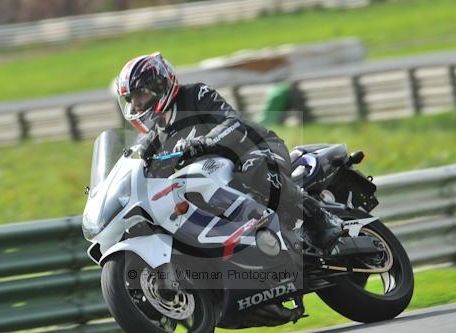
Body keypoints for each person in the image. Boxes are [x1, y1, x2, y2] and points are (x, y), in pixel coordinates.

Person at [113, 52, 343, 252]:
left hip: (258, 148)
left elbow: (233, 122)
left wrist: (204, 142)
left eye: (139, 95)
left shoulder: (196, 95)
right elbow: (143, 163)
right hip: (216, 180)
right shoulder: (157, 135)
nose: (136, 105)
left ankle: (320, 220)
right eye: (131, 99)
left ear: (158, 86)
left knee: (254, 170)